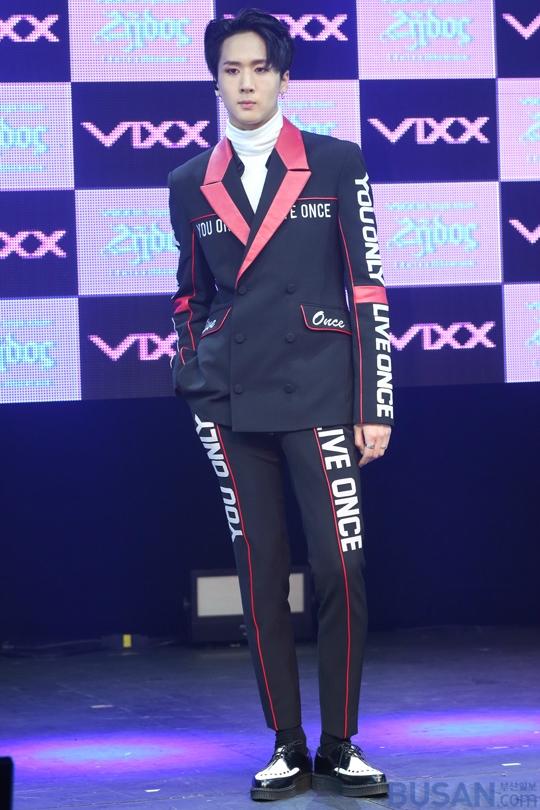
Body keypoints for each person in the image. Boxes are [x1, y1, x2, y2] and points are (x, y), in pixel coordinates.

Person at [168, 7, 394, 802]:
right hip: (230, 405)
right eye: (231, 70)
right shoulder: (188, 182)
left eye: (259, 68)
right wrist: (194, 377)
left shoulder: (336, 162)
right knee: (260, 571)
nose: (246, 83)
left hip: (323, 395)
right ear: (216, 81)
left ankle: (341, 742)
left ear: (284, 76)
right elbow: (190, 296)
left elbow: (366, 286)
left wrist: (376, 402)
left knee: (340, 565)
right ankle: (287, 744)